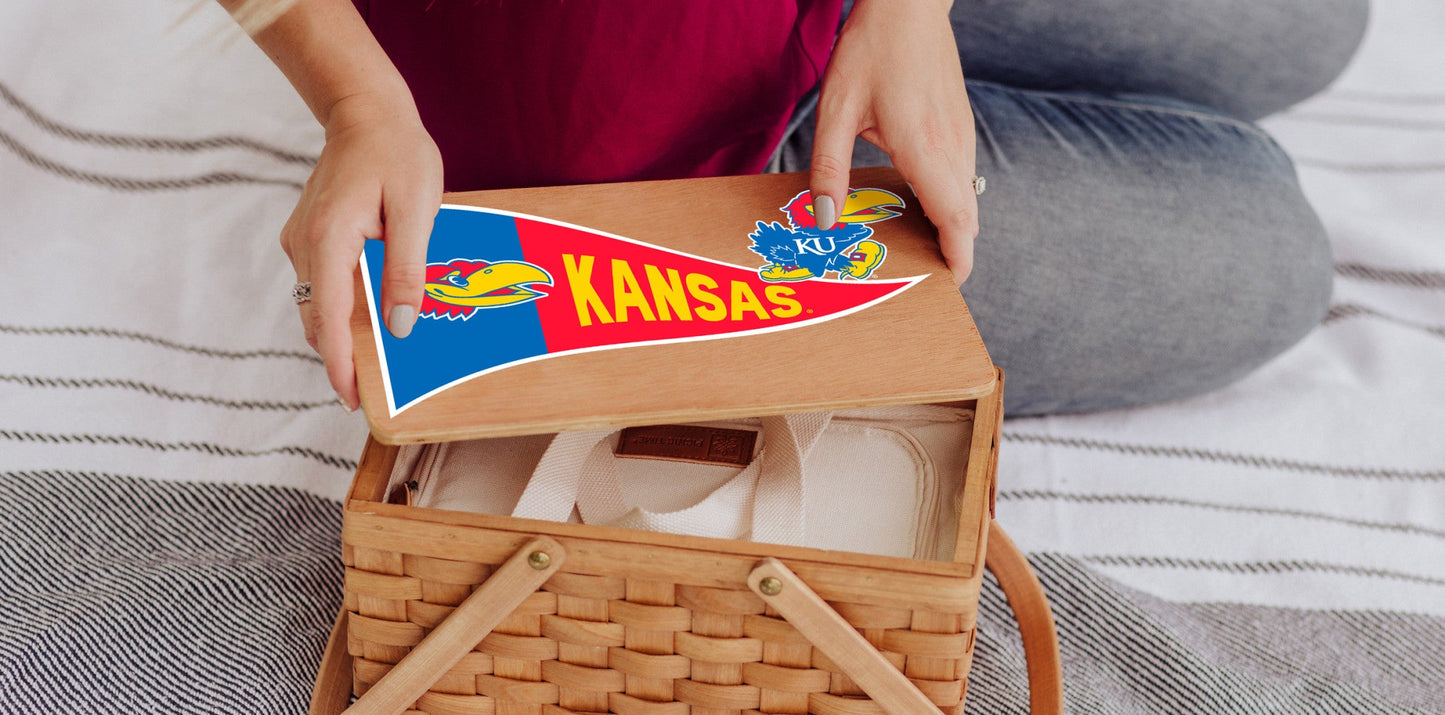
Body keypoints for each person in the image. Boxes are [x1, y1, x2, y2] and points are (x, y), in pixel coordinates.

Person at [224, 0, 1367, 416]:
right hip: (628, 149)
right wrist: (359, 97)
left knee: (1311, 17)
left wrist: (910, 12)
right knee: (1268, 253)